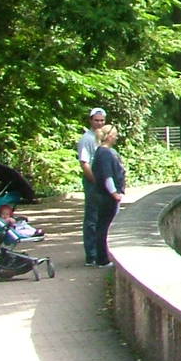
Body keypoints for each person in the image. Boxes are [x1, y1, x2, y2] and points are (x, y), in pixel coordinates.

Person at [90, 123, 128, 268]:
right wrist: (114, 193)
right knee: (105, 226)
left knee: (103, 225)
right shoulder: (105, 153)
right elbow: (108, 176)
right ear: (110, 136)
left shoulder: (101, 152)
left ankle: (104, 257)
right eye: (115, 134)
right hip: (107, 196)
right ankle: (103, 259)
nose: (116, 137)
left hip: (104, 195)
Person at [77, 106, 107, 265]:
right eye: (96, 120)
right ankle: (92, 254)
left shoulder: (102, 138)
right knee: (92, 218)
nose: (99, 123)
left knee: (102, 217)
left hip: (103, 184)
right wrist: (95, 182)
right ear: (90, 120)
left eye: (102, 120)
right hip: (93, 183)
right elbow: (85, 163)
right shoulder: (87, 139)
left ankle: (101, 251)